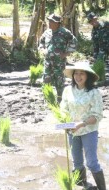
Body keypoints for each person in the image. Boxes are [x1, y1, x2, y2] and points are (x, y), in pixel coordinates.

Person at [60, 61, 106, 190]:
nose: (78, 76)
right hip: (72, 131)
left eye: (82, 74)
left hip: (88, 130)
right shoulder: (68, 90)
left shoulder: (94, 93)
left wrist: (82, 124)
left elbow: (97, 115)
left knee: (91, 162)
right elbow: (63, 108)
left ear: (88, 76)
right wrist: (64, 121)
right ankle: (84, 186)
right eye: (76, 73)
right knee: (77, 162)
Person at [38, 13, 77, 102]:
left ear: (58, 23)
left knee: (59, 82)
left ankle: (60, 99)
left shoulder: (64, 32)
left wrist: (66, 53)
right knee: (46, 80)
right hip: (48, 62)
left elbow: (74, 42)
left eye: (52, 21)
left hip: (59, 63)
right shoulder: (47, 32)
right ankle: (48, 99)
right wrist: (42, 50)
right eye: (49, 21)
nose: (49, 23)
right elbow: (41, 42)